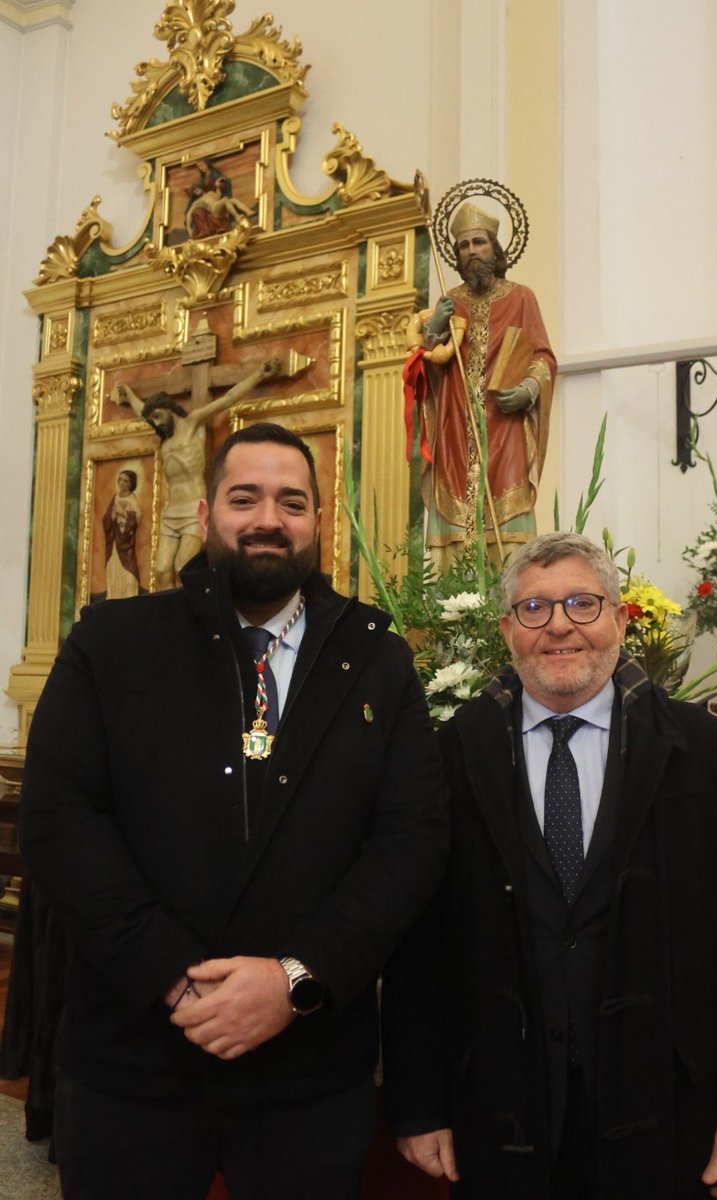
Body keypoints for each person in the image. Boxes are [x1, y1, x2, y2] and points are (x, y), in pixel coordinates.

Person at [19, 421, 448, 1200]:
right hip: (134, 1062)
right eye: (244, 497)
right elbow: (60, 820)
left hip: (308, 1073)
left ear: (318, 521)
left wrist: (295, 980)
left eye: (292, 501)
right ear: (208, 510)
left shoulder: (377, 656)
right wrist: (174, 979)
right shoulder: (112, 642)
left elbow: (410, 839)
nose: (267, 519)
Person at [382, 531, 717, 1199]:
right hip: (500, 1110)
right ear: (506, 630)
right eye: (535, 609)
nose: (559, 628)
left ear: (619, 619)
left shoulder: (707, 752)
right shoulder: (451, 755)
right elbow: (418, 946)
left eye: (582, 603)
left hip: (669, 1113)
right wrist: (418, 1104)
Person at [404, 201, 556, 569]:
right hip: (455, 427)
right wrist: (433, 330)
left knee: (509, 521)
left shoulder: (521, 297)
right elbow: (424, 367)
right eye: (463, 246)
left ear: (495, 247)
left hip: (503, 426)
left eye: (479, 242)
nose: (471, 251)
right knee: (457, 525)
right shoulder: (449, 302)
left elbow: (542, 356)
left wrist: (528, 391)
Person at [115, 358, 280, 589]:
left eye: (158, 416)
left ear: (170, 410)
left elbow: (228, 399)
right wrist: (129, 393)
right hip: (171, 510)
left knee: (184, 567)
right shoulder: (166, 437)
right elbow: (142, 409)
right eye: (152, 419)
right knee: (162, 570)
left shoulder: (193, 423)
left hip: (193, 508)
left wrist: (259, 375)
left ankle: (189, 620)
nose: (156, 423)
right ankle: (168, 621)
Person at [102, 467, 142, 599]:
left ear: (131, 484)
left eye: (126, 481)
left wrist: (122, 514)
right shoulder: (115, 498)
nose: (122, 483)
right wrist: (112, 516)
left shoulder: (132, 500)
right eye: (120, 480)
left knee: (129, 576)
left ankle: (128, 598)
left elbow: (137, 519)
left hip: (125, 543)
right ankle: (113, 597)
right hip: (114, 542)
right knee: (113, 570)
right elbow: (106, 519)